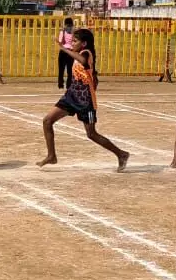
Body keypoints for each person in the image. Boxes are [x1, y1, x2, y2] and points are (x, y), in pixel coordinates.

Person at [37, 27, 129, 171]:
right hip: (71, 96)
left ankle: (121, 154)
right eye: (72, 41)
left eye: (75, 41)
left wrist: (63, 48)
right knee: (47, 121)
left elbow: (83, 61)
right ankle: (51, 156)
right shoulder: (79, 52)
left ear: (84, 43)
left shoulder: (86, 53)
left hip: (85, 101)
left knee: (91, 134)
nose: (72, 43)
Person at [57, 17, 76, 90]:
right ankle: (69, 85)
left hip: (63, 51)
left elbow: (60, 42)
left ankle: (60, 84)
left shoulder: (62, 31)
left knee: (61, 69)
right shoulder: (74, 32)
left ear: (65, 24)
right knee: (70, 70)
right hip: (70, 51)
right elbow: (74, 42)